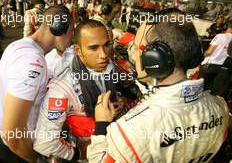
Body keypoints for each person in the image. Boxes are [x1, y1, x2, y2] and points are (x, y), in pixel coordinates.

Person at [87, 9, 229, 163]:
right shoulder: (221, 107)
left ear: (155, 57)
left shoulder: (131, 131)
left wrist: (101, 125)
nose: (132, 55)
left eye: (136, 48)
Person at [34, 20, 125, 162]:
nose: (103, 54)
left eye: (107, 45)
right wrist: (77, 154)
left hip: (114, 148)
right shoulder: (62, 89)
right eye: (93, 48)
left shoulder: (109, 67)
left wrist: (118, 101)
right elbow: (44, 141)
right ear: (78, 51)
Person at [0, 5, 73, 163]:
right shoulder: (33, 62)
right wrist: (34, 159)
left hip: (9, 145)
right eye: (71, 31)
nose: (72, 37)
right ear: (58, 29)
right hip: (19, 150)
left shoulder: (17, 46)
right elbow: (13, 133)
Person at [200, 20, 232, 90]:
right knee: (208, 88)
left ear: (226, 27)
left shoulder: (220, 36)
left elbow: (209, 52)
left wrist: (201, 57)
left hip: (209, 65)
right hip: (221, 67)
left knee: (199, 87)